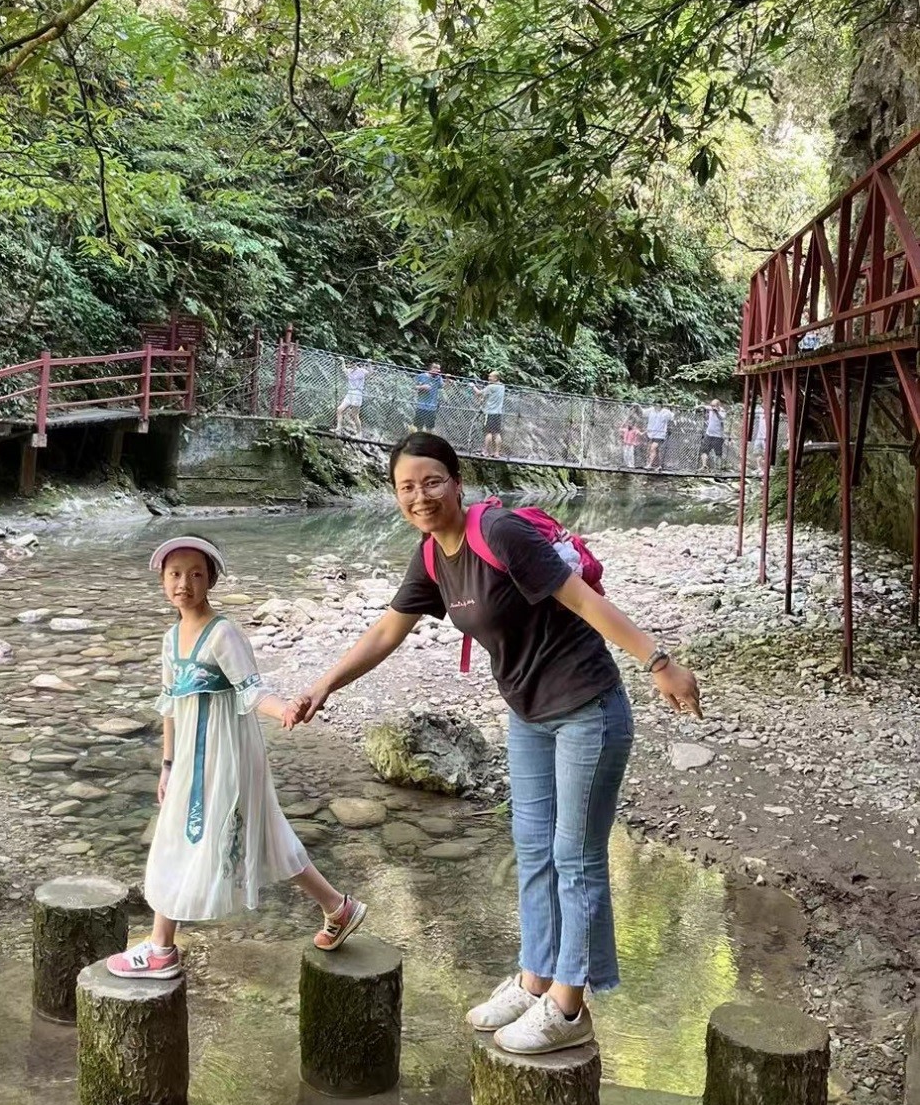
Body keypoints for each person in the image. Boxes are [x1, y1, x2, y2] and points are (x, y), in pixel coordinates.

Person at [287, 434, 701, 1056]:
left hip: (587, 709)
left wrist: (659, 662)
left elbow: (582, 599)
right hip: (528, 715)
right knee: (533, 848)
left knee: (575, 855)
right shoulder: (432, 556)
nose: (420, 496)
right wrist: (325, 684)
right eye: (406, 487)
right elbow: (386, 631)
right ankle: (535, 980)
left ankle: (568, 1006)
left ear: (458, 484)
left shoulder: (500, 533)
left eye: (432, 482)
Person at [107, 535, 366, 979]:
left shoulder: (223, 633)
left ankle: (161, 950)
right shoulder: (170, 639)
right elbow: (169, 705)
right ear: (162, 580)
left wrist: (285, 710)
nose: (184, 583)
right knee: (265, 835)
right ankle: (338, 908)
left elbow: (252, 691)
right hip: (190, 759)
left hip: (227, 755)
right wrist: (167, 765)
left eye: (195, 574)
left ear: (210, 580)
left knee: (177, 838)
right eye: (174, 574)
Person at [472, 370, 506, 457]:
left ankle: (485, 452)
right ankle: (496, 453)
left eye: (491, 376)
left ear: (496, 378)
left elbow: (479, 393)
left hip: (490, 412)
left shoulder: (491, 387)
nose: (489, 378)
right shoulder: (502, 386)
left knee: (488, 432)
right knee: (497, 433)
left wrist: (473, 386)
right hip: (498, 413)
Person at [336, 361, 369, 438]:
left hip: (357, 393)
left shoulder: (361, 371)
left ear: (356, 364)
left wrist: (369, 363)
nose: (352, 365)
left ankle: (359, 433)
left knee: (355, 415)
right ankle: (338, 428)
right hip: (350, 393)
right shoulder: (349, 371)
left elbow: (370, 373)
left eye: (354, 363)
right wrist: (342, 361)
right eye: (350, 363)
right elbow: (344, 369)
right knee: (339, 410)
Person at [413, 360, 445, 431]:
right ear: (432, 369)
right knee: (419, 426)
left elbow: (443, 386)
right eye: (437, 369)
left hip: (432, 407)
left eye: (439, 369)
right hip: (421, 405)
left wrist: (448, 381)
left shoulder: (438, 378)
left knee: (429, 427)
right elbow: (413, 386)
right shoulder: (421, 376)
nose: (439, 371)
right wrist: (422, 387)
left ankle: (428, 437)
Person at [644, 401, 676, 471]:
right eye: (655, 405)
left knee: (653, 448)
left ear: (661, 406)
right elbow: (643, 413)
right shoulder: (651, 410)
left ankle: (650, 464)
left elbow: (672, 417)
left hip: (660, 434)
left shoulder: (665, 412)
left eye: (658, 405)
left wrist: (672, 408)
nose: (656, 407)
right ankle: (659, 465)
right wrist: (637, 406)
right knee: (656, 450)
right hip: (651, 433)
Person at [699, 399, 727, 471]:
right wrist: (699, 406)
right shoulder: (710, 408)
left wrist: (716, 412)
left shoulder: (722, 411)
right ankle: (704, 466)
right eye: (712, 405)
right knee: (704, 450)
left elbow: (721, 418)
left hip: (718, 436)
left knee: (718, 453)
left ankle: (718, 469)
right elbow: (704, 407)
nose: (712, 407)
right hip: (709, 434)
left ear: (718, 405)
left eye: (714, 406)